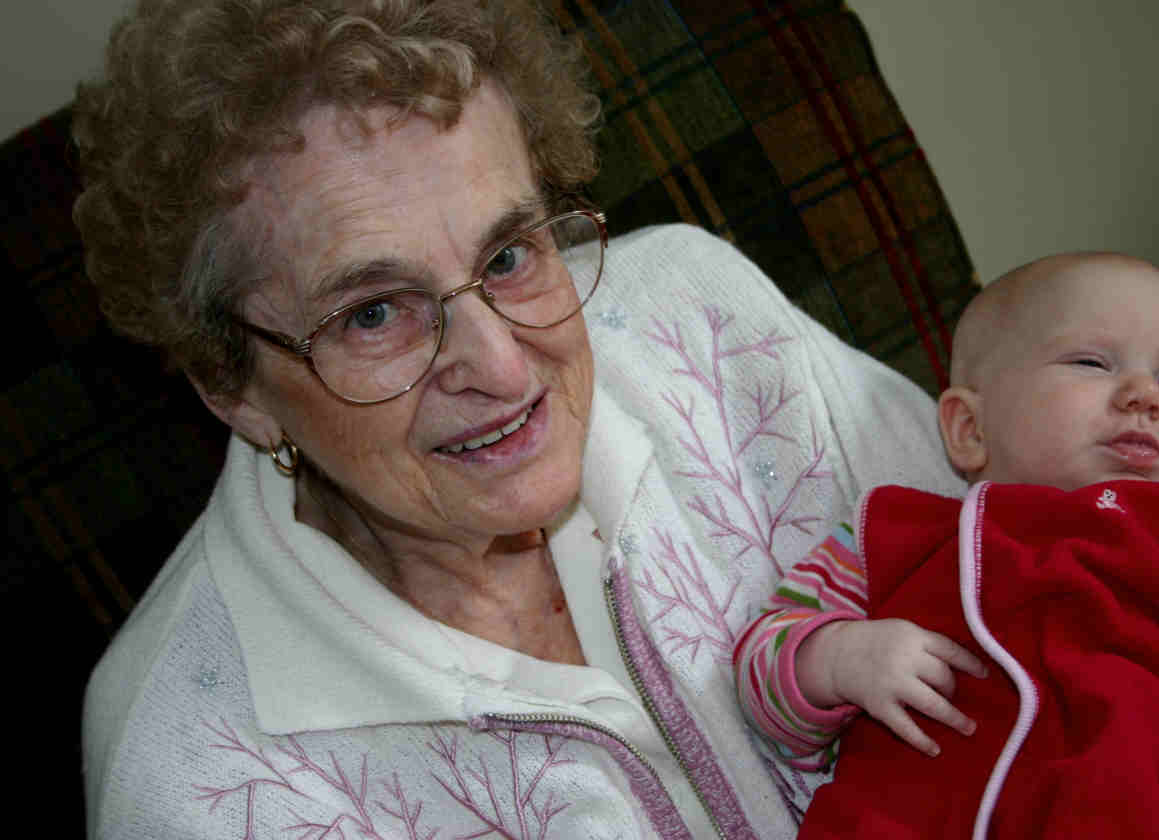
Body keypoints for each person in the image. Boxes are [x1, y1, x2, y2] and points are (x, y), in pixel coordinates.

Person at [73, 1, 972, 837]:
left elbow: (1012, 556)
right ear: (234, 387)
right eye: (375, 313)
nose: (504, 367)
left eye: (508, 255)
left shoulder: (704, 319)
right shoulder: (194, 775)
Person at [734, 251, 1159, 838]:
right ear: (970, 430)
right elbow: (763, 662)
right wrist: (836, 658)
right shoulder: (892, 533)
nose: (1146, 395)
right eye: (1091, 362)